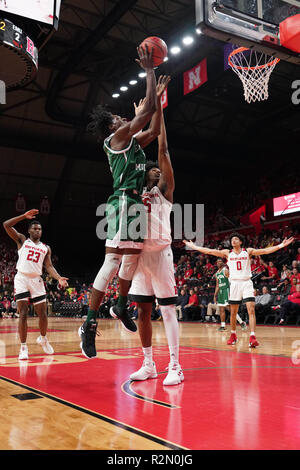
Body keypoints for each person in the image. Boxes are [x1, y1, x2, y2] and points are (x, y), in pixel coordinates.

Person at [78, 45, 161, 359]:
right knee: (112, 262)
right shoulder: (117, 139)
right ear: (112, 127)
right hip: (122, 203)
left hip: (136, 205)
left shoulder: (134, 143)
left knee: (130, 261)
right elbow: (146, 112)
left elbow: (153, 126)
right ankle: (88, 323)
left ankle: (120, 305)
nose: (121, 117)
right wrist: (150, 71)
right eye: (116, 117)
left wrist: (157, 103)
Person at [128, 77, 184, 386]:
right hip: (139, 256)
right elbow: (135, 152)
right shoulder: (138, 189)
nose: (159, 170)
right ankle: (148, 364)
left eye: (160, 169)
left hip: (161, 254)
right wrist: (141, 118)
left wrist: (158, 107)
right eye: (154, 169)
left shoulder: (164, 190)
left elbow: (162, 146)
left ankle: (175, 365)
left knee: (168, 311)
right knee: (143, 313)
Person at [184, 233, 294, 347]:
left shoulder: (248, 251)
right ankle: (233, 335)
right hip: (235, 284)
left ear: (241, 242)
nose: (233, 241)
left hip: (246, 282)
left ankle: (252, 337)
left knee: (251, 310)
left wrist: (281, 245)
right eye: (232, 239)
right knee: (233, 313)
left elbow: (265, 251)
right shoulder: (227, 253)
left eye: (236, 239)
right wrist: (194, 247)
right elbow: (209, 251)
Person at [3, 209, 68, 360]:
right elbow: (6, 225)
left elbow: (49, 266)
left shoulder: (46, 248)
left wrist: (58, 278)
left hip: (37, 280)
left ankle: (43, 338)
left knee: (43, 314)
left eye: (39, 229)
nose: (37, 231)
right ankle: (23, 348)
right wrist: (23, 216)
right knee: (23, 314)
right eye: (34, 228)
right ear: (29, 230)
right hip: (21, 278)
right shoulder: (22, 240)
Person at [213, 258, 247, 331]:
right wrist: (215, 295)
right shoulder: (216, 274)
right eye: (217, 262)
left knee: (230, 308)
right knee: (221, 308)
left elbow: (231, 280)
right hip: (221, 291)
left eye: (220, 261)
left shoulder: (225, 270)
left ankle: (241, 322)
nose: (218, 263)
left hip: (227, 290)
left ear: (223, 263)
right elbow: (217, 285)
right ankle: (223, 326)